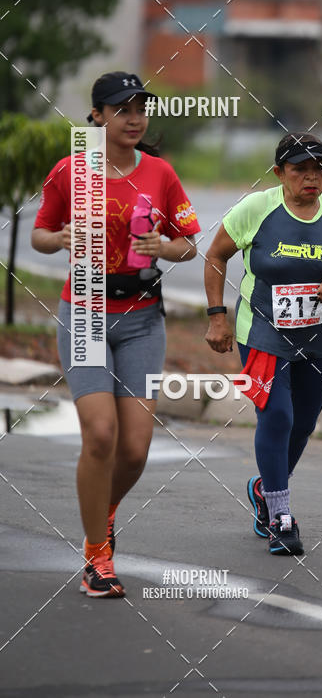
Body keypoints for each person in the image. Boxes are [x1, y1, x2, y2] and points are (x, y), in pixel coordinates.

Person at [31, 71, 201, 597]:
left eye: (141, 108)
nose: (135, 117)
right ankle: (96, 555)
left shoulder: (161, 173)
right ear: (97, 115)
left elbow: (189, 243)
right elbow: (39, 234)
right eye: (123, 108)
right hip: (83, 310)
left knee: (135, 448)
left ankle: (101, 511)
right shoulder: (71, 171)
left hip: (143, 315)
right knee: (100, 435)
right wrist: (56, 237)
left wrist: (162, 249)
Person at [205, 132, 322, 555]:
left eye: (319, 169)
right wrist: (216, 315)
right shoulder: (256, 208)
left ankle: (264, 487)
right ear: (280, 173)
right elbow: (215, 254)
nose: (311, 178)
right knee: (277, 416)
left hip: (318, 335)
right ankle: (280, 516)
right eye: (300, 169)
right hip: (261, 332)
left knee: (304, 423)